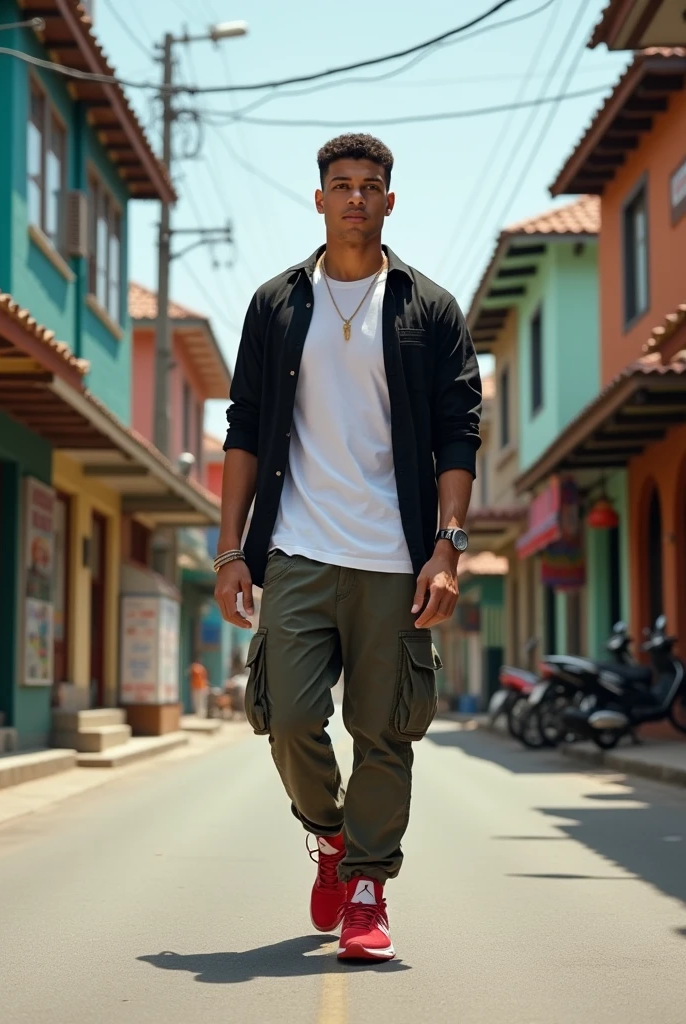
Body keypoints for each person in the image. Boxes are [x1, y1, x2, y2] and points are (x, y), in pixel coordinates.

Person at [215, 134, 481, 962]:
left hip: (396, 558)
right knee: (287, 714)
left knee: (385, 729)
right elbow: (245, 428)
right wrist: (231, 550)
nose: (356, 197)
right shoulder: (276, 304)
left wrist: (447, 546)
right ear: (320, 199)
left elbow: (458, 432)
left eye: (371, 186)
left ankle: (367, 886)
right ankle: (329, 833)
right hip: (295, 546)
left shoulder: (428, 308)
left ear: (390, 202)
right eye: (341, 185)